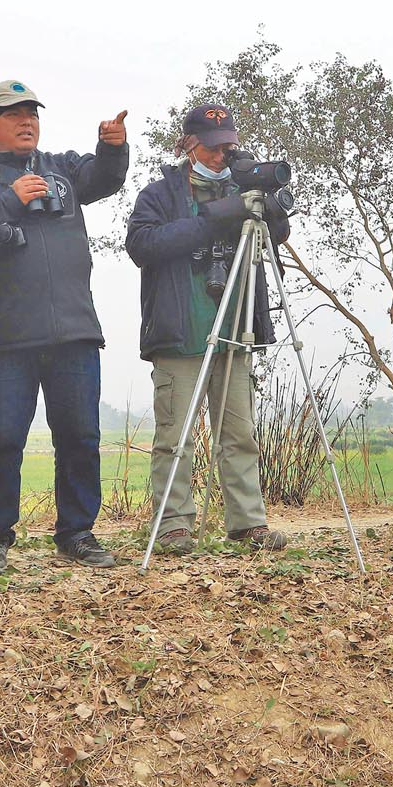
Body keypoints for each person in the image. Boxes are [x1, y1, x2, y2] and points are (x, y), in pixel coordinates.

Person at [0, 81, 129, 572]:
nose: (26, 121)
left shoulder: (63, 168)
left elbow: (104, 178)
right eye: (14, 114)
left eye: (32, 112)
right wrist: (9, 200)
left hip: (74, 328)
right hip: (4, 336)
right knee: (0, 437)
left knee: (80, 435)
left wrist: (112, 147)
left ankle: (77, 531)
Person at [125, 103, 291, 554]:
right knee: (175, 435)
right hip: (180, 333)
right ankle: (173, 523)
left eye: (229, 147)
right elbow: (141, 245)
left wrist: (264, 202)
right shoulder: (159, 194)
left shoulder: (242, 186)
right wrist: (208, 221)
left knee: (239, 433)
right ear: (189, 145)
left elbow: (278, 236)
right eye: (214, 148)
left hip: (236, 328)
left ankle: (247, 522)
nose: (222, 156)